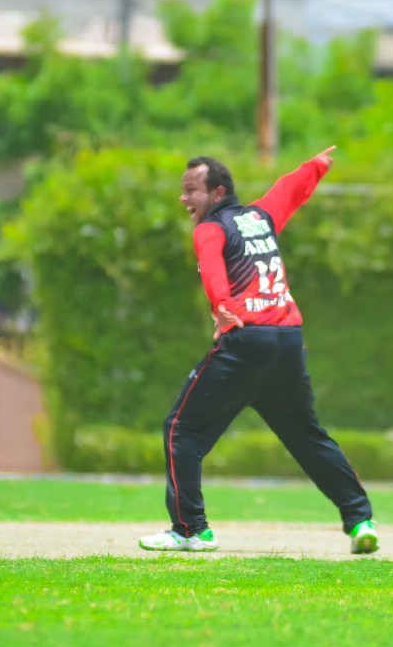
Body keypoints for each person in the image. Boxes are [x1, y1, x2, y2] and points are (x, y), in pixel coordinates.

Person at [138, 147, 379, 555]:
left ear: (218, 192)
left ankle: (190, 529)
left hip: (247, 341)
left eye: (192, 189)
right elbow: (290, 188)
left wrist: (221, 305)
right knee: (306, 436)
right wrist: (316, 166)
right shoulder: (261, 216)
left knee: (181, 429)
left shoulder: (210, 228)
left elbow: (213, 268)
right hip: (287, 342)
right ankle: (360, 520)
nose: (184, 197)